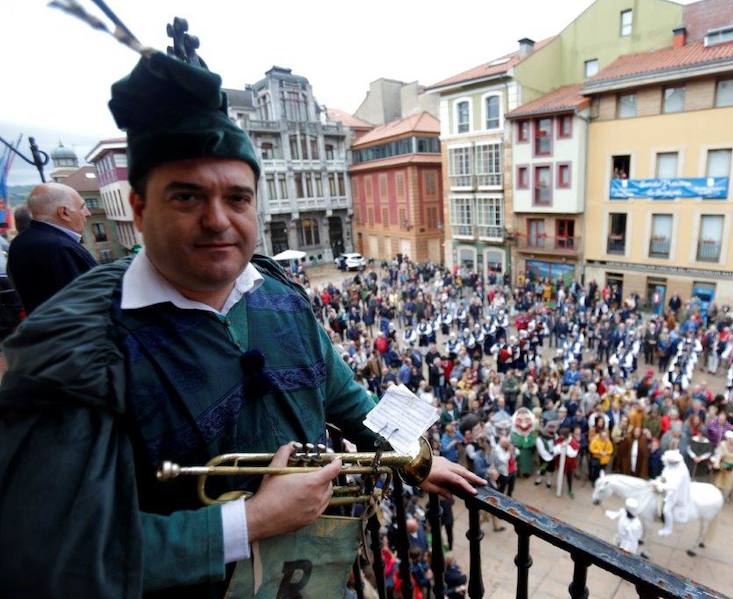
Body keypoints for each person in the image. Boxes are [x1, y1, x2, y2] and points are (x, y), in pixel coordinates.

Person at [0, 46, 482, 597]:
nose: (217, 220)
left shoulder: (280, 296)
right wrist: (249, 521)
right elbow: (52, 556)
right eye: (187, 197)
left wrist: (413, 458)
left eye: (236, 198)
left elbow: (342, 396)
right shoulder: (78, 344)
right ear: (139, 208)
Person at [6, 182, 96, 313]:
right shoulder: (59, 248)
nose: (88, 213)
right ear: (64, 213)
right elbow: (88, 300)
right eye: (82, 207)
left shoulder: (21, 241)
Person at [653, 450, 692, 537]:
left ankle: (668, 528)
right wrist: (658, 480)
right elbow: (665, 474)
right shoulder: (670, 465)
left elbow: (674, 486)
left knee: (666, 510)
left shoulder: (681, 471)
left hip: (675, 493)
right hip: (667, 488)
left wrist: (661, 486)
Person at [712, 431, 733, 501]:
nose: (730, 441)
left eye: (732, 440)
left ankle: (724, 497)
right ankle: (715, 496)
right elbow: (718, 454)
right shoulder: (723, 444)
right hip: (722, 465)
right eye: (729, 439)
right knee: (719, 480)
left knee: (729, 483)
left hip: (732, 467)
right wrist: (717, 463)